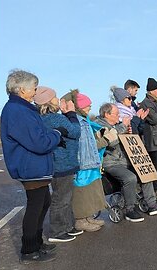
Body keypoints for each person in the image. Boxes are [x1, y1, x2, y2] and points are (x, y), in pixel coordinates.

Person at [0, 70, 62, 264]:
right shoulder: (17, 111)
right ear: (21, 89)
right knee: (36, 206)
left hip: (35, 165)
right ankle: (29, 249)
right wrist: (57, 135)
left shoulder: (23, 108)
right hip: (30, 166)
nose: (36, 92)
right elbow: (38, 142)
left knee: (43, 203)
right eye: (33, 88)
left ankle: (37, 242)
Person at [96, 103, 157, 222]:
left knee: (146, 171)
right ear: (107, 114)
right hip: (111, 163)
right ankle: (130, 209)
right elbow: (110, 142)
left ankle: (152, 204)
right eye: (116, 114)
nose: (119, 116)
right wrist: (123, 127)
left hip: (124, 160)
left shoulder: (117, 125)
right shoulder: (99, 125)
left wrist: (130, 130)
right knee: (130, 177)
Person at [33, 86, 83, 243]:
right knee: (61, 198)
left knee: (64, 197)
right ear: (48, 102)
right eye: (55, 97)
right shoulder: (56, 118)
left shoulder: (41, 118)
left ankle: (68, 226)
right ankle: (57, 231)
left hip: (56, 163)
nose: (58, 100)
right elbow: (75, 132)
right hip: (63, 163)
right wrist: (71, 113)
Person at [61, 90, 108, 231]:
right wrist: (104, 140)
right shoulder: (77, 121)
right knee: (81, 191)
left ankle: (88, 216)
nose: (90, 108)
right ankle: (80, 220)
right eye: (88, 105)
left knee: (89, 191)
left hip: (89, 161)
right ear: (80, 107)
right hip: (82, 162)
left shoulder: (85, 120)